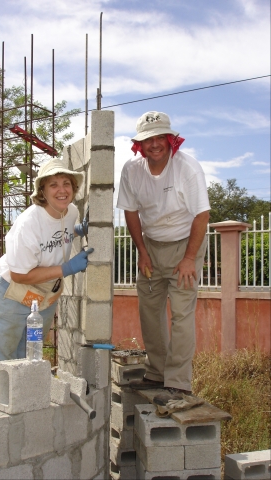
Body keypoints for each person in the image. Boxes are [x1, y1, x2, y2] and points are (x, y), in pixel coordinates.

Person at [0, 158, 93, 410]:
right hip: (12, 292)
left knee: (30, 353)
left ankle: (21, 407)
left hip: (42, 297)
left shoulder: (71, 211)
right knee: (1, 356)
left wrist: (77, 230)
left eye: (67, 183)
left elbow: (58, 230)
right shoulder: (27, 224)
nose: (61, 190)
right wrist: (67, 268)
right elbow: (20, 275)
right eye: (53, 184)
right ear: (41, 190)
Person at [117, 111, 210, 395]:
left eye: (160, 137)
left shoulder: (187, 168)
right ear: (139, 145)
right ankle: (156, 373)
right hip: (151, 247)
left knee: (181, 314)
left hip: (186, 243)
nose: (154, 144)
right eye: (148, 140)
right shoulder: (131, 170)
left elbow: (202, 215)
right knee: (149, 310)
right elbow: (131, 212)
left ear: (171, 139)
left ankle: (179, 382)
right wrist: (142, 252)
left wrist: (189, 259)